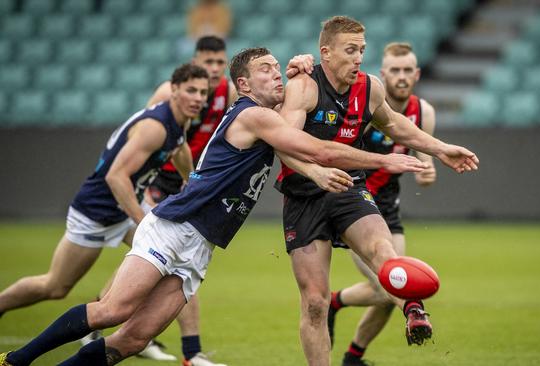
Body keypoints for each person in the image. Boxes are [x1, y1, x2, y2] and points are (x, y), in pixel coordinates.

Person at [0, 47, 427, 366]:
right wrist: (384, 159)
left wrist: (303, 67)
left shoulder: (272, 115)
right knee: (113, 311)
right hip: (173, 227)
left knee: (130, 341)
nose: (277, 75)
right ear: (243, 85)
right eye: (266, 70)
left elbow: (304, 107)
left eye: (279, 68)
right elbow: (320, 149)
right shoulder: (252, 115)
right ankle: (17, 360)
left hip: (200, 245)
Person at [273, 16, 479, 366]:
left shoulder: (370, 88)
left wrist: (441, 149)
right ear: (325, 52)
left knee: (382, 247)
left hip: (349, 188)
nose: (358, 58)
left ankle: (413, 308)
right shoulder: (304, 87)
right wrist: (317, 171)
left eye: (362, 51)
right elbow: (286, 143)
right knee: (315, 302)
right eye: (350, 50)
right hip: (304, 195)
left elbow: (397, 125)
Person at [0, 63, 206, 362]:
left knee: (173, 265)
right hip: (96, 210)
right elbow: (115, 177)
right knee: (56, 286)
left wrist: (192, 179)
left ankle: (185, 349)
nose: (198, 97)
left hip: (125, 207)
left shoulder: (179, 120)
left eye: (202, 92)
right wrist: (144, 220)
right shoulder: (155, 126)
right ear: (173, 90)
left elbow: (180, 147)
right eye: (191, 90)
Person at [80, 36, 237, 366]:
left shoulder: (228, 93)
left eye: (219, 62)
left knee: (167, 266)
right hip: (158, 183)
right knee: (162, 264)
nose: (213, 69)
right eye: (207, 61)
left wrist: (193, 178)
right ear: (195, 61)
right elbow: (149, 131)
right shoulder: (170, 93)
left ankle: (120, 332)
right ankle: (184, 350)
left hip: (186, 184)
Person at [327, 42, 438, 366]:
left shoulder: (423, 112)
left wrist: (427, 173)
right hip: (356, 205)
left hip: (388, 208)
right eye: (395, 70)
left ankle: (350, 346)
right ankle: (415, 310)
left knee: (387, 290)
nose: (402, 77)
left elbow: (421, 159)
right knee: (393, 281)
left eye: (408, 70)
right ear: (383, 74)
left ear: (416, 74)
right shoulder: (366, 104)